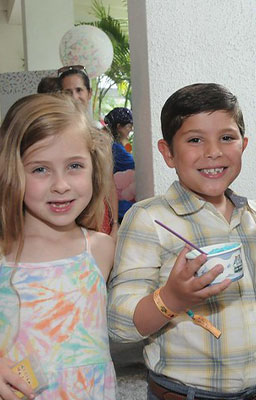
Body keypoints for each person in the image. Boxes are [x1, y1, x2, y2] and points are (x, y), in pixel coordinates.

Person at [107, 83, 256, 400]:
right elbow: (119, 324)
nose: (213, 151)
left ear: (243, 144)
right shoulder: (150, 219)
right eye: (195, 139)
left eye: (227, 138)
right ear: (168, 152)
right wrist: (171, 299)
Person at [0, 93, 116, 399]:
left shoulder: (101, 250)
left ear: (94, 167)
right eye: (40, 169)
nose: (61, 184)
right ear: (11, 172)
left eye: (74, 166)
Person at [58, 64, 119, 239]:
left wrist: (114, 224)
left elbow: (109, 183)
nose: (75, 97)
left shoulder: (101, 137)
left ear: (89, 93)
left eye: (79, 90)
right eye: (68, 92)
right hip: (67, 215)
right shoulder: (55, 137)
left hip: (98, 217)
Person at [104, 107, 136, 223]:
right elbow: (136, 164)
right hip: (121, 206)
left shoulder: (123, 144)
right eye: (128, 126)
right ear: (119, 127)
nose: (131, 129)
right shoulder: (116, 149)